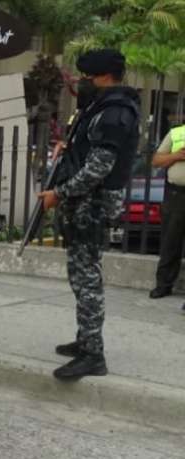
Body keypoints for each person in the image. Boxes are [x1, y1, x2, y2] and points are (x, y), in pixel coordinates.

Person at [37, 49, 140, 380]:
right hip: (83, 206)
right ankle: (85, 340)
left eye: (87, 77)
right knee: (79, 278)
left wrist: (59, 193)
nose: (82, 83)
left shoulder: (115, 113)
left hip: (92, 207)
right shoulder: (98, 108)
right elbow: (88, 151)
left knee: (88, 281)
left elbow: (99, 168)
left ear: (105, 77)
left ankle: (93, 355)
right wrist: (69, 148)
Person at [148, 123, 185, 303]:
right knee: (171, 240)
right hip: (176, 194)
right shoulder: (177, 133)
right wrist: (176, 155)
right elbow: (156, 160)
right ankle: (163, 285)